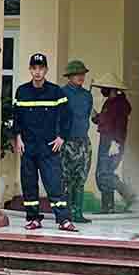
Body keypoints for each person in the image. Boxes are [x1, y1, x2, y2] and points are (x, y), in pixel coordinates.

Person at [13, 53, 73, 231]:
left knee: (54, 184)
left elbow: (67, 117)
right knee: (29, 184)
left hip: (48, 147)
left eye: (41, 68)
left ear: (46, 70)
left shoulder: (56, 92)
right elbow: (16, 118)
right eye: (34, 68)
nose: (38, 72)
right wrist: (18, 138)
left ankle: (64, 220)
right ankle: (33, 218)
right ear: (30, 70)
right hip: (28, 147)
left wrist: (62, 137)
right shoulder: (22, 91)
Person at [92, 73, 137, 214]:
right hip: (107, 140)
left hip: (113, 143)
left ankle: (130, 195)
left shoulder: (120, 105)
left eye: (104, 87)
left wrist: (114, 144)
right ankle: (108, 207)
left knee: (104, 173)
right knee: (104, 173)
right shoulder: (110, 103)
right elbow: (104, 121)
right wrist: (94, 115)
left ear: (112, 88)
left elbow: (118, 126)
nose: (102, 90)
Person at [61, 59, 94, 224]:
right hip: (66, 142)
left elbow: (88, 115)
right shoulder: (62, 93)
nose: (81, 77)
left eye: (82, 74)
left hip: (83, 142)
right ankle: (66, 214)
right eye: (77, 74)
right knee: (66, 179)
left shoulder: (87, 96)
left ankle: (78, 213)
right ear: (70, 76)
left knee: (80, 179)